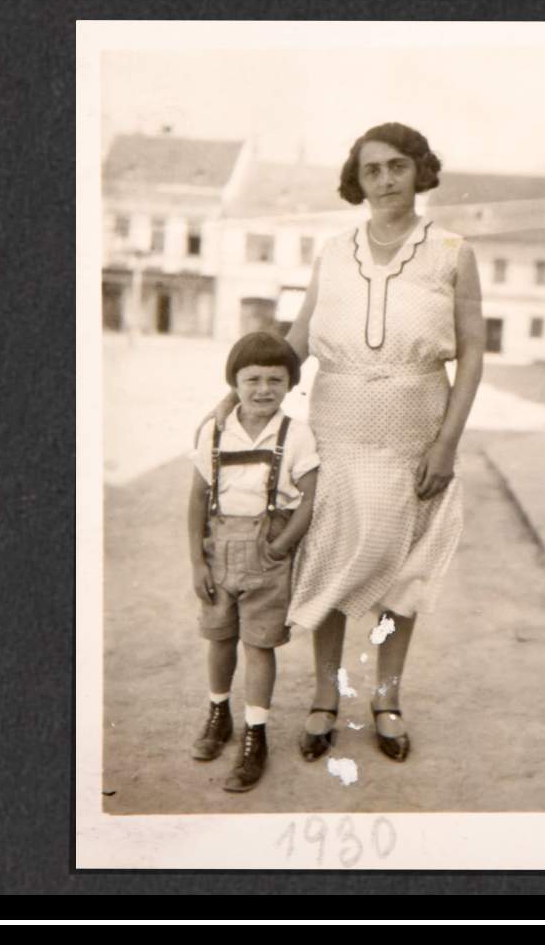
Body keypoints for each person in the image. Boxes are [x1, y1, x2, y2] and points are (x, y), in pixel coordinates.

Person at [205, 122, 484, 764]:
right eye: (371, 171)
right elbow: (296, 340)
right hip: (338, 424)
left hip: (416, 426)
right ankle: (325, 698)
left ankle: (386, 697)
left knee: (402, 569)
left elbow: (471, 355)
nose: (384, 180)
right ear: (355, 182)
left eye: (396, 167)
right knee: (328, 558)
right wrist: (238, 394)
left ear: (420, 171)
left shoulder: (451, 251)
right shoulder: (333, 251)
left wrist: (446, 444)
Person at [187, 332, 320, 792]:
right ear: (234, 382)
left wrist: (282, 545)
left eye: (275, 380)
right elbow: (198, 496)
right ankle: (218, 714)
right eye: (252, 379)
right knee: (219, 638)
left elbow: (311, 497)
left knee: (258, 645)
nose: (263, 389)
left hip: (267, 553)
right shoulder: (216, 431)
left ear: (290, 385)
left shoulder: (296, 434)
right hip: (219, 549)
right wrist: (196, 563)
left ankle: (255, 735)